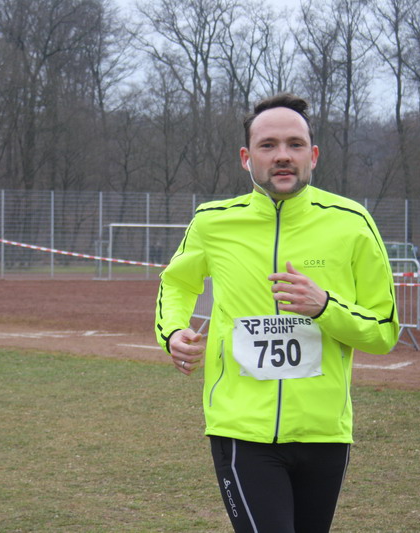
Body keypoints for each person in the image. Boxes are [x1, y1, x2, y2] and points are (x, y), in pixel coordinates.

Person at [154, 93, 399, 533]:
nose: (282, 155)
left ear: (313, 155)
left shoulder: (352, 222)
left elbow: (383, 332)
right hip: (241, 429)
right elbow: (177, 282)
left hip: (325, 432)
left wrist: (325, 307)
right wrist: (173, 331)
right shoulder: (212, 222)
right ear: (246, 158)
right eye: (268, 145)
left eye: (294, 144)